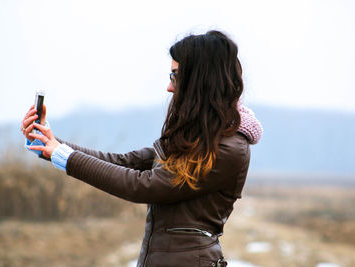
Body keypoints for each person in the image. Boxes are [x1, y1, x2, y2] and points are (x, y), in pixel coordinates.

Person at [21, 30, 263, 267]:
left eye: (175, 76)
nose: (169, 87)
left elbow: (142, 185)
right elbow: (125, 161)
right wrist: (49, 144)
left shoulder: (229, 149)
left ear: (199, 80)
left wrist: (65, 156)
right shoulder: (198, 137)